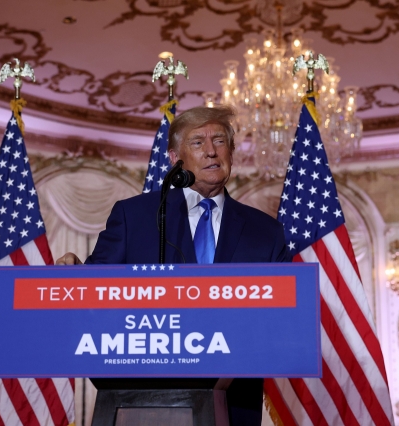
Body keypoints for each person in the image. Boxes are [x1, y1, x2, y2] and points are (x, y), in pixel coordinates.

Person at [56, 105, 289, 425]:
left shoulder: (266, 232)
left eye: (219, 141)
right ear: (174, 158)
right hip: (142, 403)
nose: (210, 151)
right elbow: (99, 292)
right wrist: (74, 275)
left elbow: (282, 318)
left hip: (233, 405)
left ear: (232, 152)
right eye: (197, 143)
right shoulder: (134, 217)